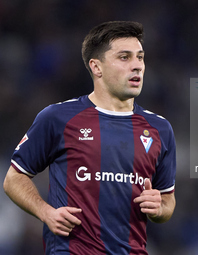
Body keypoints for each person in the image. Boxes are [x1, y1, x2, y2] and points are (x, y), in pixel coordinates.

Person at [3, 21, 176, 255]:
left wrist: (159, 209)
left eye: (140, 57)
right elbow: (14, 178)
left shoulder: (160, 129)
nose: (137, 66)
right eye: (124, 57)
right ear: (96, 67)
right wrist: (46, 212)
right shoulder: (58, 118)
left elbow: (167, 200)